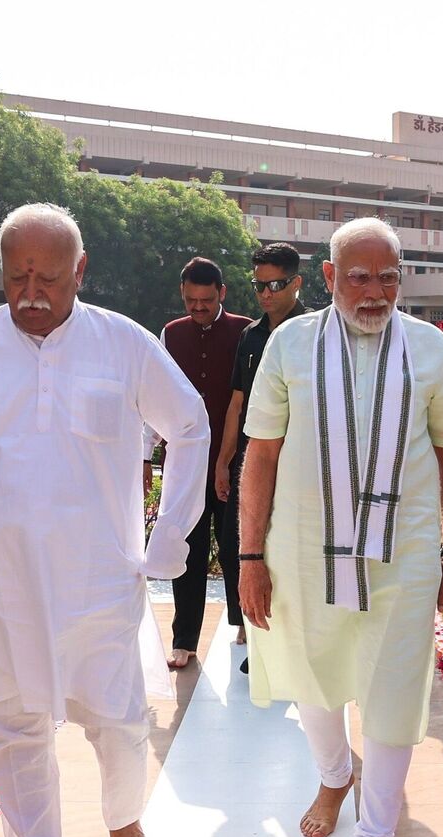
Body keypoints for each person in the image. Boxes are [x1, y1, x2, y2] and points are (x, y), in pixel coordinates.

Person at [0, 203, 209, 837]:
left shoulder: (123, 344)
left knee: (118, 720)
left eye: (49, 279)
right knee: (12, 729)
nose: (31, 295)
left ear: (81, 271)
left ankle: (121, 813)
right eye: (17, 278)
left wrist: (167, 539)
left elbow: (190, 425)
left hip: (98, 578)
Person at [238, 217, 443, 837]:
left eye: (388, 278)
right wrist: (250, 555)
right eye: (359, 278)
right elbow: (261, 453)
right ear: (328, 277)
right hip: (301, 550)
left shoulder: (429, 348)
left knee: (394, 694)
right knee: (312, 677)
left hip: (402, 556)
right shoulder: (289, 343)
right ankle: (334, 774)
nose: (374, 293)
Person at [213, 242, 315, 666]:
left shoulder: (314, 333)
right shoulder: (250, 336)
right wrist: (223, 461)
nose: (265, 294)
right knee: (241, 545)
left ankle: (289, 647)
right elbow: (237, 403)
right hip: (254, 459)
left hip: (298, 461)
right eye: (259, 286)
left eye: (275, 284)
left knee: (290, 551)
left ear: (296, 282)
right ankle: (254, 635)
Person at [158, 258, 252, 667]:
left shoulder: (246, 331)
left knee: (237, 548)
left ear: (222, 293)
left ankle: (245, 621)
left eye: (206, 301)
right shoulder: (171, 333)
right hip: (186, 467)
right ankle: (184, 639)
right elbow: (157, 395)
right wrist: (145, 455)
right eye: (191, 301)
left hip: (236, 464)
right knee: (189, 551)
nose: (198, 308)